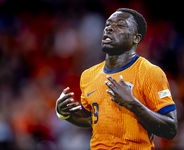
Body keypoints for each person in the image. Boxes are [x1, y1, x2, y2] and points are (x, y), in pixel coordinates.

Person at [55, 8, 178, 150]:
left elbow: (171, 129)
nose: (109, 28)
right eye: (108, 24)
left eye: (120, 25)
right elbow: (91, 119)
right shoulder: (88, 75)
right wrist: (65, 114)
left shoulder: (150, 72)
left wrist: (132, 104)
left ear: (136, 38)